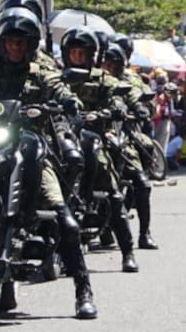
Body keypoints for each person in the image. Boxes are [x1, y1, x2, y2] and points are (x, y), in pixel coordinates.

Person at [0, 7, 96, 319]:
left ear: (31, 46)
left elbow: (60, 86)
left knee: (63, 216)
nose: (15, 48)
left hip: (32, 149)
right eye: (11, 42)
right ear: (1, 43)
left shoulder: (41, 72)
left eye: (22, 43)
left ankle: (83, 290)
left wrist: (68, 102)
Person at [60, 27, 140, 274]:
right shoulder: (58, 77)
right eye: (72, 52)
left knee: (113, 191)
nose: (77, 57)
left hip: (96, 137)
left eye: (81, 53)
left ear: (92, 54)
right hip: (63, 137)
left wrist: (116, 108)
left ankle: (128, 251)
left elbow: (118, 96)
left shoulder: (102, 79)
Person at [102, 45, 158, 251]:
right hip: (95, 135)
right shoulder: (89, 78)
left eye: (112, 64)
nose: (108, 67)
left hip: (123, 137)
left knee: (143, 183)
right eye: (104, 63)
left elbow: (138, 97)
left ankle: (145, 233)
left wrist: (141, 108)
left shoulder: (129, 81)